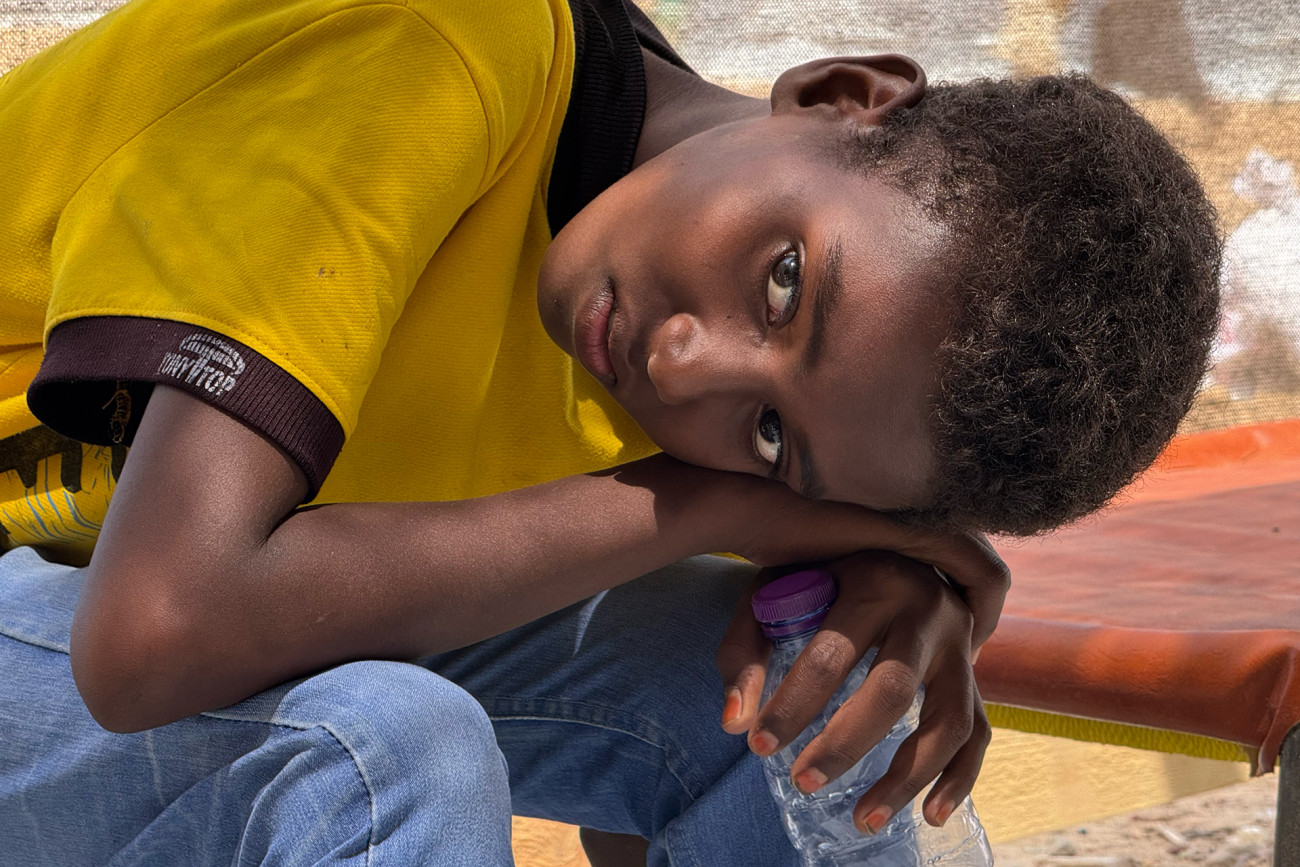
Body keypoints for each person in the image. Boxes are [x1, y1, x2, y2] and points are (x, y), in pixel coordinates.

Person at [0, 0, 1219, 864]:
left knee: (806, 693)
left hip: (114, 622)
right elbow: (157, 640)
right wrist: (714, 501)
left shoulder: (662, 263)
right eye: (785, 282)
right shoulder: (421, 47)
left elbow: (661, 779)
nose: (684, 366)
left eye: (772, 437)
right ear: (841, 97)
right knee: (381, 745)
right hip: (111, 622)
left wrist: (871, 575)